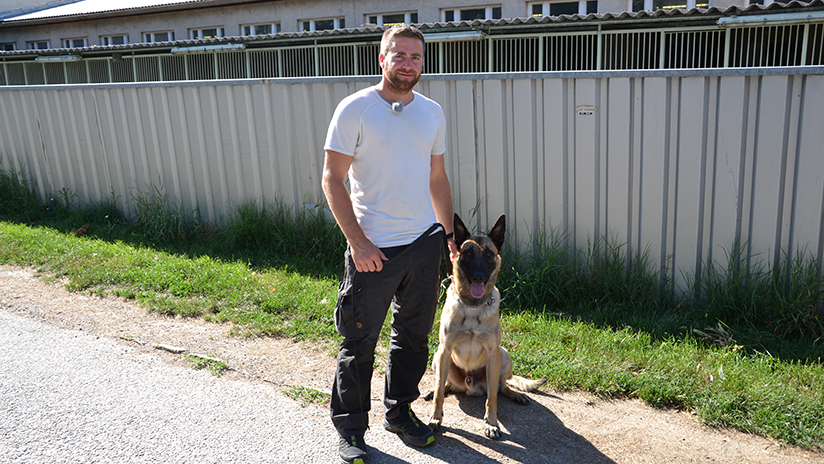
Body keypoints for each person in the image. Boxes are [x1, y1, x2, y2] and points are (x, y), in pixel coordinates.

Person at [321, 24, 458, 464]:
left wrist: (449, 238)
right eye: (399, 55)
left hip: (423, 246)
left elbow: (437, 178)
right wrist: (357, 243)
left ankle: (399, 413)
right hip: (373, 249)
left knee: (414, 338)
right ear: (382, 59)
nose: (408, 63)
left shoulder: (432, 112)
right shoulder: (355, 108)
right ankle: (351, 430)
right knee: (359, 342)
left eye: (415, 57)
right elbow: (332, 179)